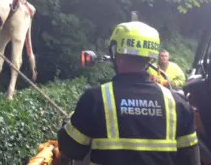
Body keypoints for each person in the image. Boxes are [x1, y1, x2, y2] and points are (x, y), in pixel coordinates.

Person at [56, 21, 199, 165]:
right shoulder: (177, 104)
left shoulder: (95, 99)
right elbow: (191, 160)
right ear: (150, 57)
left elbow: (71, 149)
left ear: (116, 53)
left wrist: (69, 123)